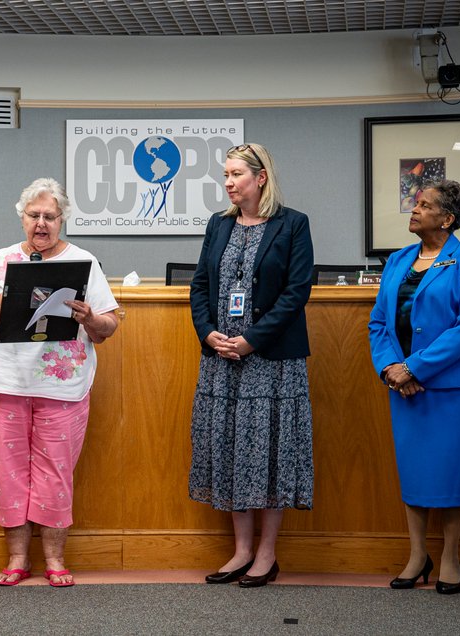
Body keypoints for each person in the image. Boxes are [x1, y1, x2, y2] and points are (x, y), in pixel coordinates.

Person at [0, 177, 119, 588]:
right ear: (22, 218)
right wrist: (15, 285)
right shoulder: (0, 260)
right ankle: (17, 559)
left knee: (55, 473)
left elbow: (108, 327)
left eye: (50, 216)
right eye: (34, 215)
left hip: (63, 388)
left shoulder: (85, 261)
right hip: (6, 385)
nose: (42, 224)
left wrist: (90, 318)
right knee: (10, 474)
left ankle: (55, 558)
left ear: (62, 219)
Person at [188, 143, 314, 588]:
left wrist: (252, 341)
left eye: (236, 173)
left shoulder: (292, 224)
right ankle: (240, 551)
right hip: (222, 359)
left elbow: (297, 291)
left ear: (260, 178)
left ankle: (266, 553)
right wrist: (208, 333)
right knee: (233, 454)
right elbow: (199, 285)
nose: (227, 182)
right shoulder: (217, 226)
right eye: (225, 174)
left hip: (271, 362)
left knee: (267, 455)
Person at [367, 179, 460, 595]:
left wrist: (415, 368)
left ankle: (451, 556)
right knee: (415, 471)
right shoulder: (398, 260)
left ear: (448, 218)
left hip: (452, 387)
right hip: (402, 387)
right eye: (415, 204)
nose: (414, 211)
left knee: (453, 472)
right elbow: (379, 324)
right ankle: (418, 555)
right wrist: (390, 369)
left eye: (424, 205)